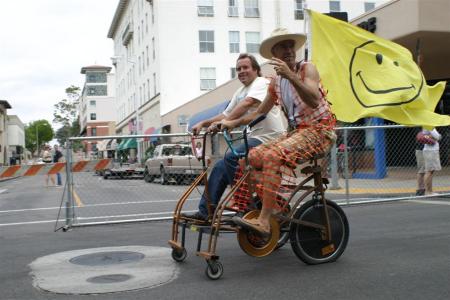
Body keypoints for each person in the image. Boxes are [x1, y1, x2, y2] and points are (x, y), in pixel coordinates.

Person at [220, 28, 336, 236]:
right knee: (249, 158)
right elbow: (259, 113)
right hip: (297, 133)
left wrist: (291, 75)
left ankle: (264, 222)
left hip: (320, 131)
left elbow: (313, 99)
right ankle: (272, 207)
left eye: (291, 45)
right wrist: (231, 122)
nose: (289, 50)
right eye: (283, 46)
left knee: (273, 155)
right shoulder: (275, 82)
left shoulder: (307, 69)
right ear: (274, 54)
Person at [182, 53, 286, 220]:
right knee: (220, 166)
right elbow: (225, 114)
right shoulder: (240, 91)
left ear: (256, 70)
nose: (241, 71)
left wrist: (226, 122)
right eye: (238, 69)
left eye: (245, 67)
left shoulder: (261, 82)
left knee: (232, 157)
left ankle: (246, 205)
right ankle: (205, 212)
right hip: (255, 138)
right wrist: (204, 123)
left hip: (270, 139)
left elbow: (247, 104)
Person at [416, 127, 441, 196]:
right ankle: (428, 191)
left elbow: (433, 136)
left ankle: (427, 191)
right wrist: (432, 136)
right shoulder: (429, 126)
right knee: (429, 171)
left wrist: (429, 136)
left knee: (429, 171)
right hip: (431, 151)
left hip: (429, 150)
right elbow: (438, 137)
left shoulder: (427, 127)